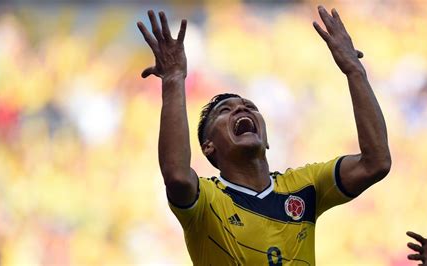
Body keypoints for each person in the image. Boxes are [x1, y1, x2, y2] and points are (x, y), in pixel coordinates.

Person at [136, 5, 391, 265]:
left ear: (267, 139)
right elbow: (177, 176)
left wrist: (355, 71)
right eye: (225, 110)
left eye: (250, 107)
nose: (242, 109)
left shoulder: (305, 186)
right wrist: (174, 79)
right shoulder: (207, 201)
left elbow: (376, 163)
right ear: (209, 147)